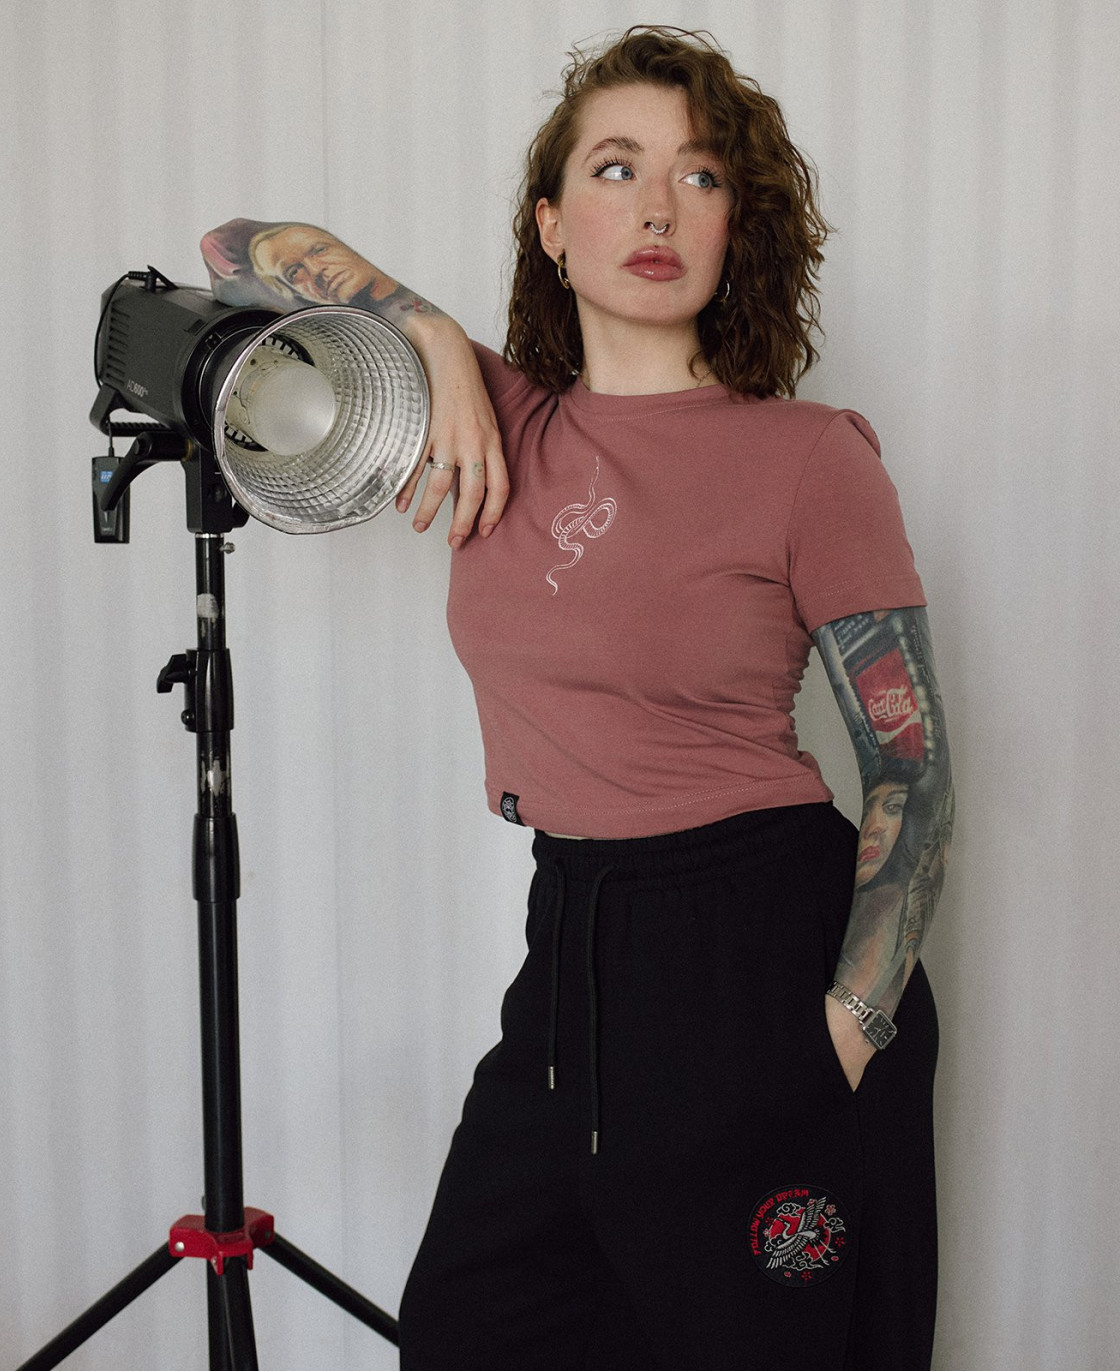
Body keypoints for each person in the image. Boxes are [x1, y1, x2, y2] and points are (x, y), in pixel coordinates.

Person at [201, 25, 954, 1371]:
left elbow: (914, 773)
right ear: (551, 226)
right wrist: (425, 329)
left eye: (700, 176)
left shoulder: (808, 459)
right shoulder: (487, 419)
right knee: (467, 1335)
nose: (658, 207)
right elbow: (232, 247)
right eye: (615, 168)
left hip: (761, 947)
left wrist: (845, 1032)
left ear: (737, 228)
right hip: (573, 950)